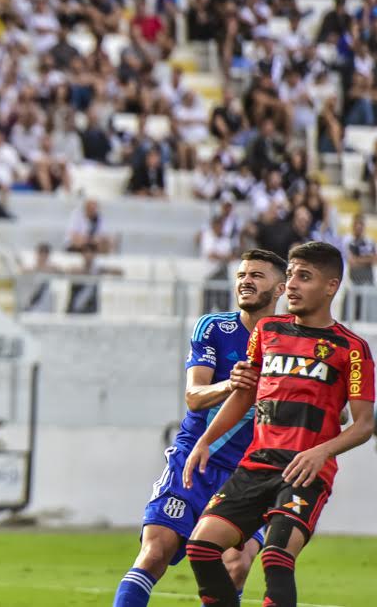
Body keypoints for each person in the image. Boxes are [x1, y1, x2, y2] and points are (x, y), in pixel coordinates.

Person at [183, 242, 375, 607]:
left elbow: (363, 424)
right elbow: (243, 396)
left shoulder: (352, 349)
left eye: (304, 277)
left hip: (305, 471)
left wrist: (323, 451)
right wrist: (205, 440)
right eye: (289, 276)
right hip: (256, 464)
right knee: (202, 546)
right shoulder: (268, 331)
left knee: (275, 557)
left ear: (331, 286)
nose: (291, 286)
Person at [113, 249, 287, 606]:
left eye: (257, 275)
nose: (246, 281)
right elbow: (193, 396)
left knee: (236, 564)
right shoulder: (215, 327)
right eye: (241, 275)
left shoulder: (291, 344)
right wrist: (230, 384)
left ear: (280, 288)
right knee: (156, 551)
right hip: (195, 460)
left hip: (248, 473)